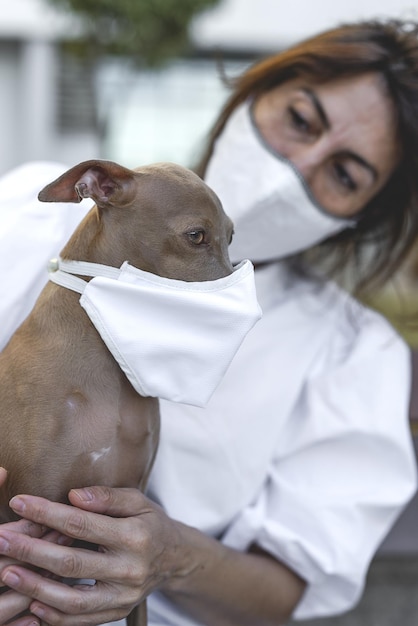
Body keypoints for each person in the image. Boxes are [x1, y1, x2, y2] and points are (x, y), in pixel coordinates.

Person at [0, 17, 418, 626]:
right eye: (300, 120)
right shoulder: (33, 212)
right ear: (249, 94)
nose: (296, 168)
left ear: (363, 215)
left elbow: (289, 589)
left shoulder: (354, 353)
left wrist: (171, 558)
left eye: (345, 174)